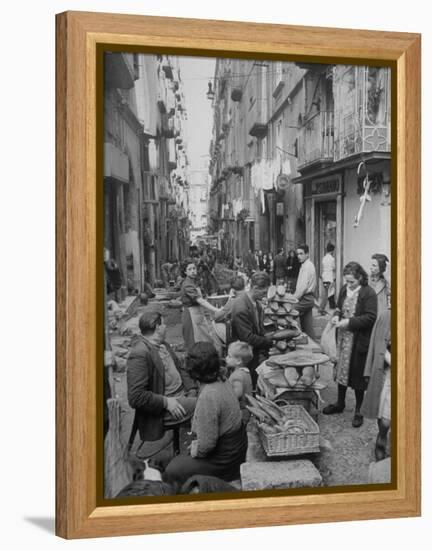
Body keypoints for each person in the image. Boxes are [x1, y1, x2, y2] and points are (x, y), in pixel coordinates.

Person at [163, 342, 248, 485]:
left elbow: (207, 446)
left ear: (193, 370)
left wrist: (196, 449)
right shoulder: (222, 377)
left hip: (226, 460)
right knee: (178, 459)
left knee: (172, 470)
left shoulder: (209, 395)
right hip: (237, 446)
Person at [126, 310, 198, 447]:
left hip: (181, 394)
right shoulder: (140, 354)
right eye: (164, 325)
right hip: (161, 410)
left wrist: (192, 388)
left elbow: (180, 368)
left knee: (210, 391)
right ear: (158, 328)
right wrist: (166, 402)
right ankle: (203, 452)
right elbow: (135, 397)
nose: (166, 327)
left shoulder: (163, 345)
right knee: (205, 405)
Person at [322, 261, 378, 428]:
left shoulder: (368, 293)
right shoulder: (344, 289)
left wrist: (349, 322)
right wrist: (336, 316)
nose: (349, 284)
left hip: (358, 340)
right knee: (340, 370)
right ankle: (340, 403)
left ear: (360, 277)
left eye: (352, 281)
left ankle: (359, 410)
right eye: (347, 281)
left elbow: (370, 317)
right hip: (343, 339)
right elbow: (339, 307)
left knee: (357, 376)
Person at [230, 271, 273, 388]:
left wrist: (268, 335)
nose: (265, 295)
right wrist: (270, 342)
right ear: (255, 288)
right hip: (243, 353)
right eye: (264, 292)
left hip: (253, 350)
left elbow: (259, 329)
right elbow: (247, 337)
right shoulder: (241, 307)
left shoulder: (256, 304)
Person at [361, 308, 391, 460]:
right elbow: (375, 344)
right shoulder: (386, 316)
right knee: (385, 416)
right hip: (389, 373)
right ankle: (382, 439)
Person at [180, 262, 221, 353]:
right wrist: (216, 310)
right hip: (191, 315)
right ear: (185, 272)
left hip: (198, 313)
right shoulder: (187, 284)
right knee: (194, 341)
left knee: (204, 339)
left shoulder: (194, 282)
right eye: (189, 269)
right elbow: (200, 300)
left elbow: (203, 298)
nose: (193, 271)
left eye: (194, 268)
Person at [226, 341, 254, 423]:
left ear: (238, 361)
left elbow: (236, 396)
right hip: (246, 410)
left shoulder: (237, 376)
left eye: (229, 356)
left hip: (240, 413)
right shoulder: (246, 372)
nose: (226, 358)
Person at [293, 244, 318, 339]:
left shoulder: (307, 266)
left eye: (301, 253)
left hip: (305, 298)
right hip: (308, 298)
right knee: (307, 327)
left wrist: (293, 299)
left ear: (307, 254)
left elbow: (302, 288)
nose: (299, 256)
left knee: (289, 312)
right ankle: (313, 345)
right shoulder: (306, 265)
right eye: (297, 254)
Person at [319, 243, 336, 315]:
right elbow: (333, 267)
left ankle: (323, 308)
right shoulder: (332, 259)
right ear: (332, 250)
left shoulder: (324, 258)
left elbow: (323, 267)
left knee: (326, 293)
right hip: (329, 277)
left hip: (324, 276)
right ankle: (321, 309)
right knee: (326, 294)